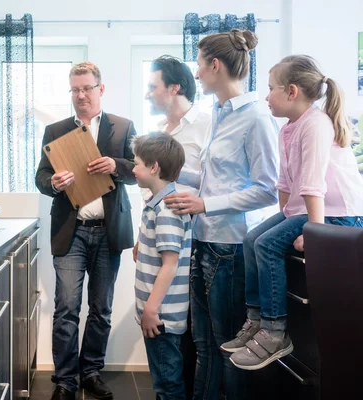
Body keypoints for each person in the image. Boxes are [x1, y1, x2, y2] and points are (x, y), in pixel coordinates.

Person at [222, 55, 363, 370]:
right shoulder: (287, 129)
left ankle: (275, 332)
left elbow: (314, 187)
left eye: (271, 89)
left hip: (336, 214)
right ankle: (256, 319)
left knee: (266, 244)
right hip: (309, 208)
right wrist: (286, 222)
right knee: (252, 240)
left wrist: (314, 239)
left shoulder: (315, 124)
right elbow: (285, 184)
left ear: (292, 91)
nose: (266, 96)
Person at [163, 30, 279, 400]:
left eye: (199, 65)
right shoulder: (218, 113)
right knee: (204, 346)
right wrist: (166, 168)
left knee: (229, 348)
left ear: (215, 65)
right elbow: (213, 180)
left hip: (230, 248)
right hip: (205, 240)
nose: (195, 74)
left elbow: (267, 189)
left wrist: (204, 204)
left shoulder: (257, 116)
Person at [35, 62, 137, 400]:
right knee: (66, 308)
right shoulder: (55, 130)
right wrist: (53, 182)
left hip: (108, 231)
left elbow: (139, 170)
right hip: (71, 231)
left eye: (86, 89)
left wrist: (116, 165)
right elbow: (40, 178)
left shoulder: (123, 128)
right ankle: (65, 379)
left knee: (101, 309)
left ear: (100, 89)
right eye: (75, 90)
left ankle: (91, 372)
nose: (80, 95)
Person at [132, 133, 192, 400]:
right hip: (159, 316)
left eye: (136, 164)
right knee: (164, 382)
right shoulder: (157, 204)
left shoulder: (166, 209)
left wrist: (151, 309)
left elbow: (170, 264)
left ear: (153, 167)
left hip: (161, 317)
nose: (132, 169)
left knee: (168, 385)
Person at [145, 55, 210, 196]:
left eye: (152, 88)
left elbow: (216, 183)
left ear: (174, 88)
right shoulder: (156, 132)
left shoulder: (209, 127)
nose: (147, 95)